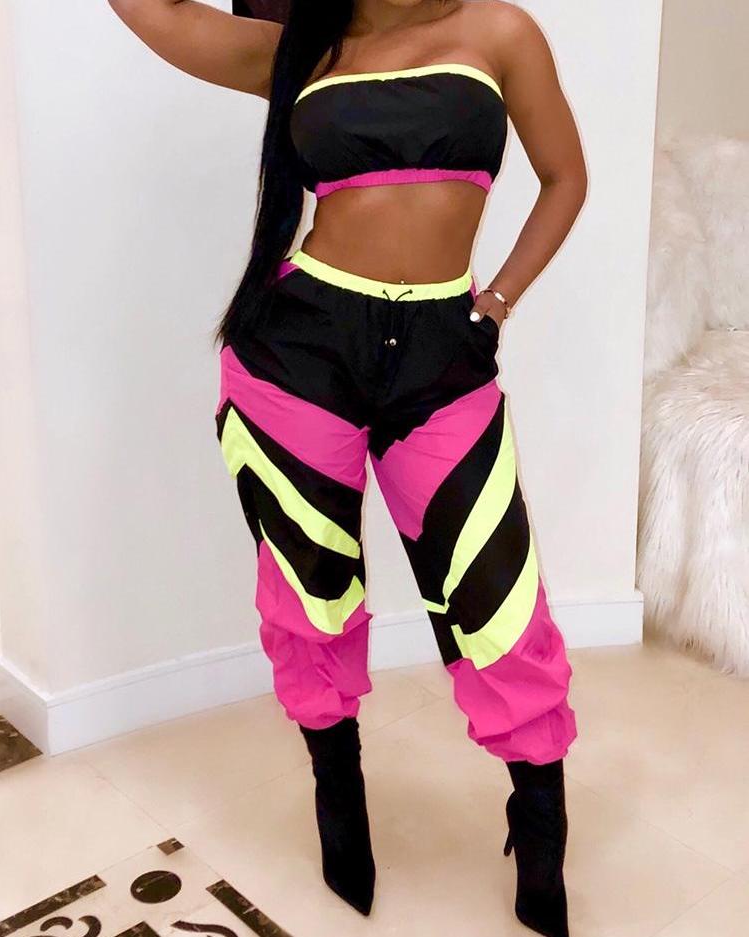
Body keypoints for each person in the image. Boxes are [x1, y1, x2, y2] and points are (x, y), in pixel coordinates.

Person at [108, 1, 587, 934]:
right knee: (310, 589)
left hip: (443, 354)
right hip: (299, 353)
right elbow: (152, 12)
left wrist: (496, 303)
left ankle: (539, 820)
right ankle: (338, 788)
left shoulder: (499, 33)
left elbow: (565, 177)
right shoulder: (303, 50)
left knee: (497, 594)